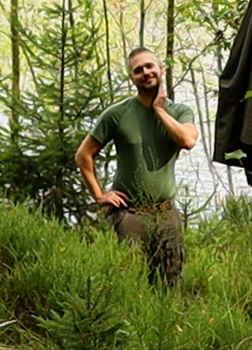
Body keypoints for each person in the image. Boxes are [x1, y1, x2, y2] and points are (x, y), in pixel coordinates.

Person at [75, 47, 199, 286]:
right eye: (138, 70)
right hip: (130, 215)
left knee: (170, 283)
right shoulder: (117, 114)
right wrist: (99, 195)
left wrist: (159, 110)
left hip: (166, 214)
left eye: (149, 66)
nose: (145, 73)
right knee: (130, 283)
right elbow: (83, 155)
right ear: (132, 77)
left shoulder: (180, 111)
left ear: (160, 68)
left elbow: (187, 140)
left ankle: (167, 323)